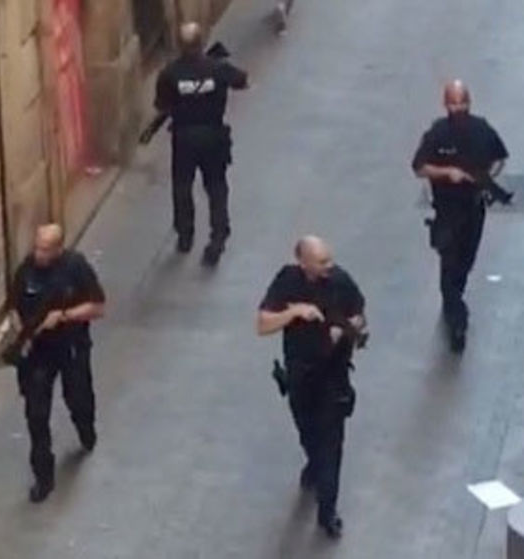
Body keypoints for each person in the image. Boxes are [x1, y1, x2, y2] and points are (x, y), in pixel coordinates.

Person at [257, 236, 367, 538]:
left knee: (332, 446)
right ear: (302, 262)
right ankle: (314, 463)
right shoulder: (287, 281)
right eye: (321, 262)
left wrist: (345, 330)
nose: (328, 267)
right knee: (308, 433)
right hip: (300, 377)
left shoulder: (341, 281)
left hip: (332, 379)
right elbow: (263, 324)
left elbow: (359, 314)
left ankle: (327, 511)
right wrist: (294, 313)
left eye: (329, 260)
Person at [10, 224, 106, 502]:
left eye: (45, 249)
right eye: (36, 247)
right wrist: (20, 331)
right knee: (36, 415)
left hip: (71, 346)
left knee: (77, 396)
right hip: (39, 353)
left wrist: (64, 316)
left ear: (58, 248)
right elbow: (14, 306)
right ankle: (43, 477)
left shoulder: (75, 268)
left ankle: (85, 428)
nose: (38, 254)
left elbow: (98, 307)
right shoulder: (26, 270)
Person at [411, 80, 509, 352]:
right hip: (446, 209)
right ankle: (457, 319)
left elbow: (500, 156)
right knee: (449, 262)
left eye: (462, 103)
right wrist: (446, 173)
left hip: (474, 207)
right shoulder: (437, 134)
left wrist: (488, 178)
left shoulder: (481, 129)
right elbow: (419, 167)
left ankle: (454, 298)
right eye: (453, 103)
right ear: (445, 105)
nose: (458, 108)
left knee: (466, 260)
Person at [154, 22, 249, 266]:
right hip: (213, 135)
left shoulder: (170, 73)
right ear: (202, 41)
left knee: (182, 186)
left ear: (179, 45)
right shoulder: (218, 68)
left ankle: (185, 235)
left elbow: (161, 105)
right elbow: (242, 80)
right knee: (216, 186)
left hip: (184, 137)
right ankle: (217, 237)